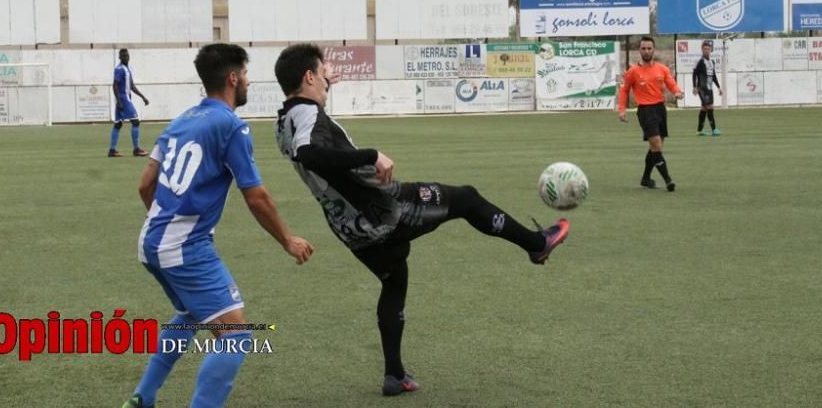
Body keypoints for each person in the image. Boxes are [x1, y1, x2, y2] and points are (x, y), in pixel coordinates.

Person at [273, 43, 569, 397]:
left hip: (350, 229)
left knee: (394, 279)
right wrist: (371, 155)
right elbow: (311, 153)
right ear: (308, 77)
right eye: (321, 74)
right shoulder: (307, 115)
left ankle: (395, 375)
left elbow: (310, 139)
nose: (326, 79)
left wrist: (325, 83)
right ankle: (537, 245)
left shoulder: (284, 122)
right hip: (384, 210)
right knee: (467, 198)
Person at [123, 43, 314, 408]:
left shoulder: (180, 121)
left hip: (150, 241)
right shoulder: (231, 126)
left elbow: (145, 185)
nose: (248, 81)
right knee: (236, 335)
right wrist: (287, 239)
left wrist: (168, 223)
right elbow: (256, 196)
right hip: (185, 247)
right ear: (232, 78)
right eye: (245, 74)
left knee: (193, 313)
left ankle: (143, 396)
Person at [618, 36, 684, 191]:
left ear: (654, 50)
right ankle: (668, 180)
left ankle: (646, 178)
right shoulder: (633, 71)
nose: (646, 51)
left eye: (649, 48)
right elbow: (624, 90)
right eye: (643, 48)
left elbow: (670, 83)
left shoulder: (662, 68)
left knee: (655, 148)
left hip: (660, 109)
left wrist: (677, 92)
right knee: (656, 145)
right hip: (645, 111)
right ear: (639, 50)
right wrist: (622, 109)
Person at [110, 48, 150, 157]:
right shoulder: (119, 69)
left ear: (129, 56)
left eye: (127, 56)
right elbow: (115, 85)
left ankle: (112, 150)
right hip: (123, 98)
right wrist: (119, 101)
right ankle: (136, 149)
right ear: (120, 57)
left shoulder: (128, 69)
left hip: (125, 98)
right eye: (123, 56)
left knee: (118, 124)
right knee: (136, 121)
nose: (126, 58)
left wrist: (143, 97)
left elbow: (132, 86)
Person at [692, 40, 722, 136]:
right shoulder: (700, 61)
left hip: (709, 88)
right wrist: (694, 87)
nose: (706, 51)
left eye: (708, 49)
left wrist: (719, 87)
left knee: (704, 108)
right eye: (705, 49)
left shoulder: (712, 62)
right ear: (702, 50)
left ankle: (699, 130)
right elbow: (694, 74)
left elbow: (713, 76)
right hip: (702, 88)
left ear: (710, 50)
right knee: (709, 107)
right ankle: (714, 129)